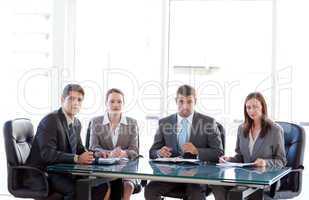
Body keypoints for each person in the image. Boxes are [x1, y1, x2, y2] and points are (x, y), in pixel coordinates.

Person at [26, 84, 108, 200]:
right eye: (71, 99)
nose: (75, 103)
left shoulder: (76, 123)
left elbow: (80, 149)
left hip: (63, 171)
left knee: (101, 186)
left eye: (79, 100)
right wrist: (77, 159)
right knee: (76, 190)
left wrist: (96, 155)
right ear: (62, 99)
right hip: (45, 173)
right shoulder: (51, 120)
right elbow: (47, 154)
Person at [145, 84, 224, 200]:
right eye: (181, 101)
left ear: (195, 101)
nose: (185, 106)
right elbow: (152, 152)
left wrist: (197, 151)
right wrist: (159, 153)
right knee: (150, 190)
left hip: (197, 176)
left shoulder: (209, 122)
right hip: (170, 175)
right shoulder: (164, 123)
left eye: (189, 102)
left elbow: (219, 153)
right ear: (176, 101)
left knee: (196, 194)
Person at [211, 92, 287, 200]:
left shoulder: (275, 130)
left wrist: (265, 162)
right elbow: (240, 157)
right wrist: (229, 159)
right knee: (216, 184)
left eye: (255, 107)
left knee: (237, 192)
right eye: (248, 107)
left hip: (264, 180)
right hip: (244, 178)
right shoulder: (242, 129)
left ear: (263, 107)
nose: (251, 111)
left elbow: (281, 161)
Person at [89, 88, 139, 200]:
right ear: (106, 104)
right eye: (112, 101)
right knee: (105, 187)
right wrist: (109, 153)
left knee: (128, 185)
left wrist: (123, 153)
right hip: (103, 168)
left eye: (119, 101)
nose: (116, 105)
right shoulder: (96, 121)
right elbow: (93, 147)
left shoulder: (132, 123)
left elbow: (134, 150)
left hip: (126, 167)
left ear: (124, 104)